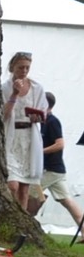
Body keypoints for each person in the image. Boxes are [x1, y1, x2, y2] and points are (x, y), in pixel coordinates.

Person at [1, 51, 45, 213]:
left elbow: (43, 112)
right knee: (13, 184)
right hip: (12, 137)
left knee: (24, 189)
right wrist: (14, 94)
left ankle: (22, 219)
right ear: (13, 67)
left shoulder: (36, 88)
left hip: (29, 138)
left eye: (27, 68)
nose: (24, 71)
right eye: (21, 67)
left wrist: (38, 117)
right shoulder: (4, 88)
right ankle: (10, 214)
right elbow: (3, 115)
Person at [33, 92, 83, 229]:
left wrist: (40, 152)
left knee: (30, 192)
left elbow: (60, 144)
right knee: (67, 201)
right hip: (57, 171)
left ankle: (27, 222)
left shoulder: (52, 121)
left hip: (51, 170)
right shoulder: (42, 122)